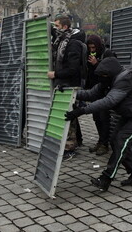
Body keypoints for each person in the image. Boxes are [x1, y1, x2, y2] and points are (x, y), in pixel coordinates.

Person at [64, 57, 132, 192]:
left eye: (103, 76)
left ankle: (106, 178)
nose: (101, 79)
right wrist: (69, 92)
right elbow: (90, 94)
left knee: (121, 140)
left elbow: (109, 101)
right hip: (131, 113)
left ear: (110, 74)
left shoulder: (124, 79)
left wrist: (82, 111)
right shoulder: (107, 81)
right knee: (115, 141)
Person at [48, 15, 85, 160]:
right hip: (63, 83)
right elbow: (52, 32)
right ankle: (77, 141)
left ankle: (70, 148)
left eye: (57, 26)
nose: (55, 29)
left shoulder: (72, 43)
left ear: (64, 27)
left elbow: (73, 68)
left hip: (69, 84)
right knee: (71, 114)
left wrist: (55, 74)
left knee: (68, 116)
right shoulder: (62, 40)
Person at [85, 34, 116, 156]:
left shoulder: (108, 54)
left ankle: (104, 144)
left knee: (104, 118)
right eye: (90, 48)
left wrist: (97, 64)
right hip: (94, 91)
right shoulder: (90, 55)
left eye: (94, 47)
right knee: (96, 118)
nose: (92, 50)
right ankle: (100, 140)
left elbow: (111, 71)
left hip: (105, 91)